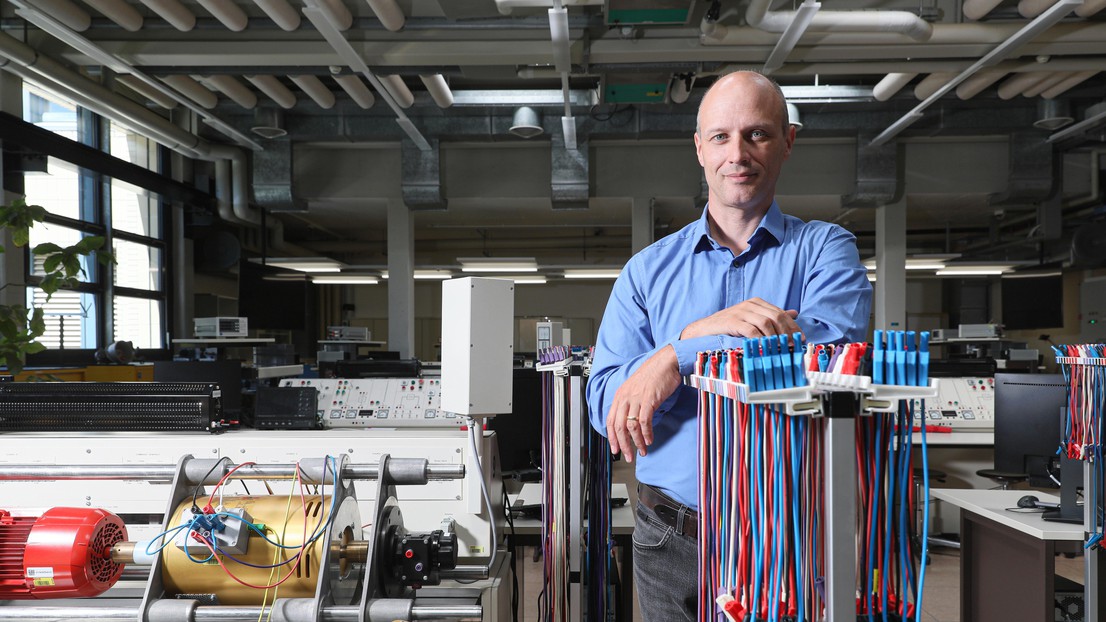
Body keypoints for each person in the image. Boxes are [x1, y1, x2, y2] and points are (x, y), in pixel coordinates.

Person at [586, 71, 872, 621]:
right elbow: (606, 407)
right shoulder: (646, 273)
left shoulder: (825, 252)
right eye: (720, 136)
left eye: (757, 134)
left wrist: (678, 355)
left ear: (787, 141)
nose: (737, 154)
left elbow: (829, 355)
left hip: (786, 534)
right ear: (699, 148)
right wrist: (691, 343)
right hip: (671, 537)